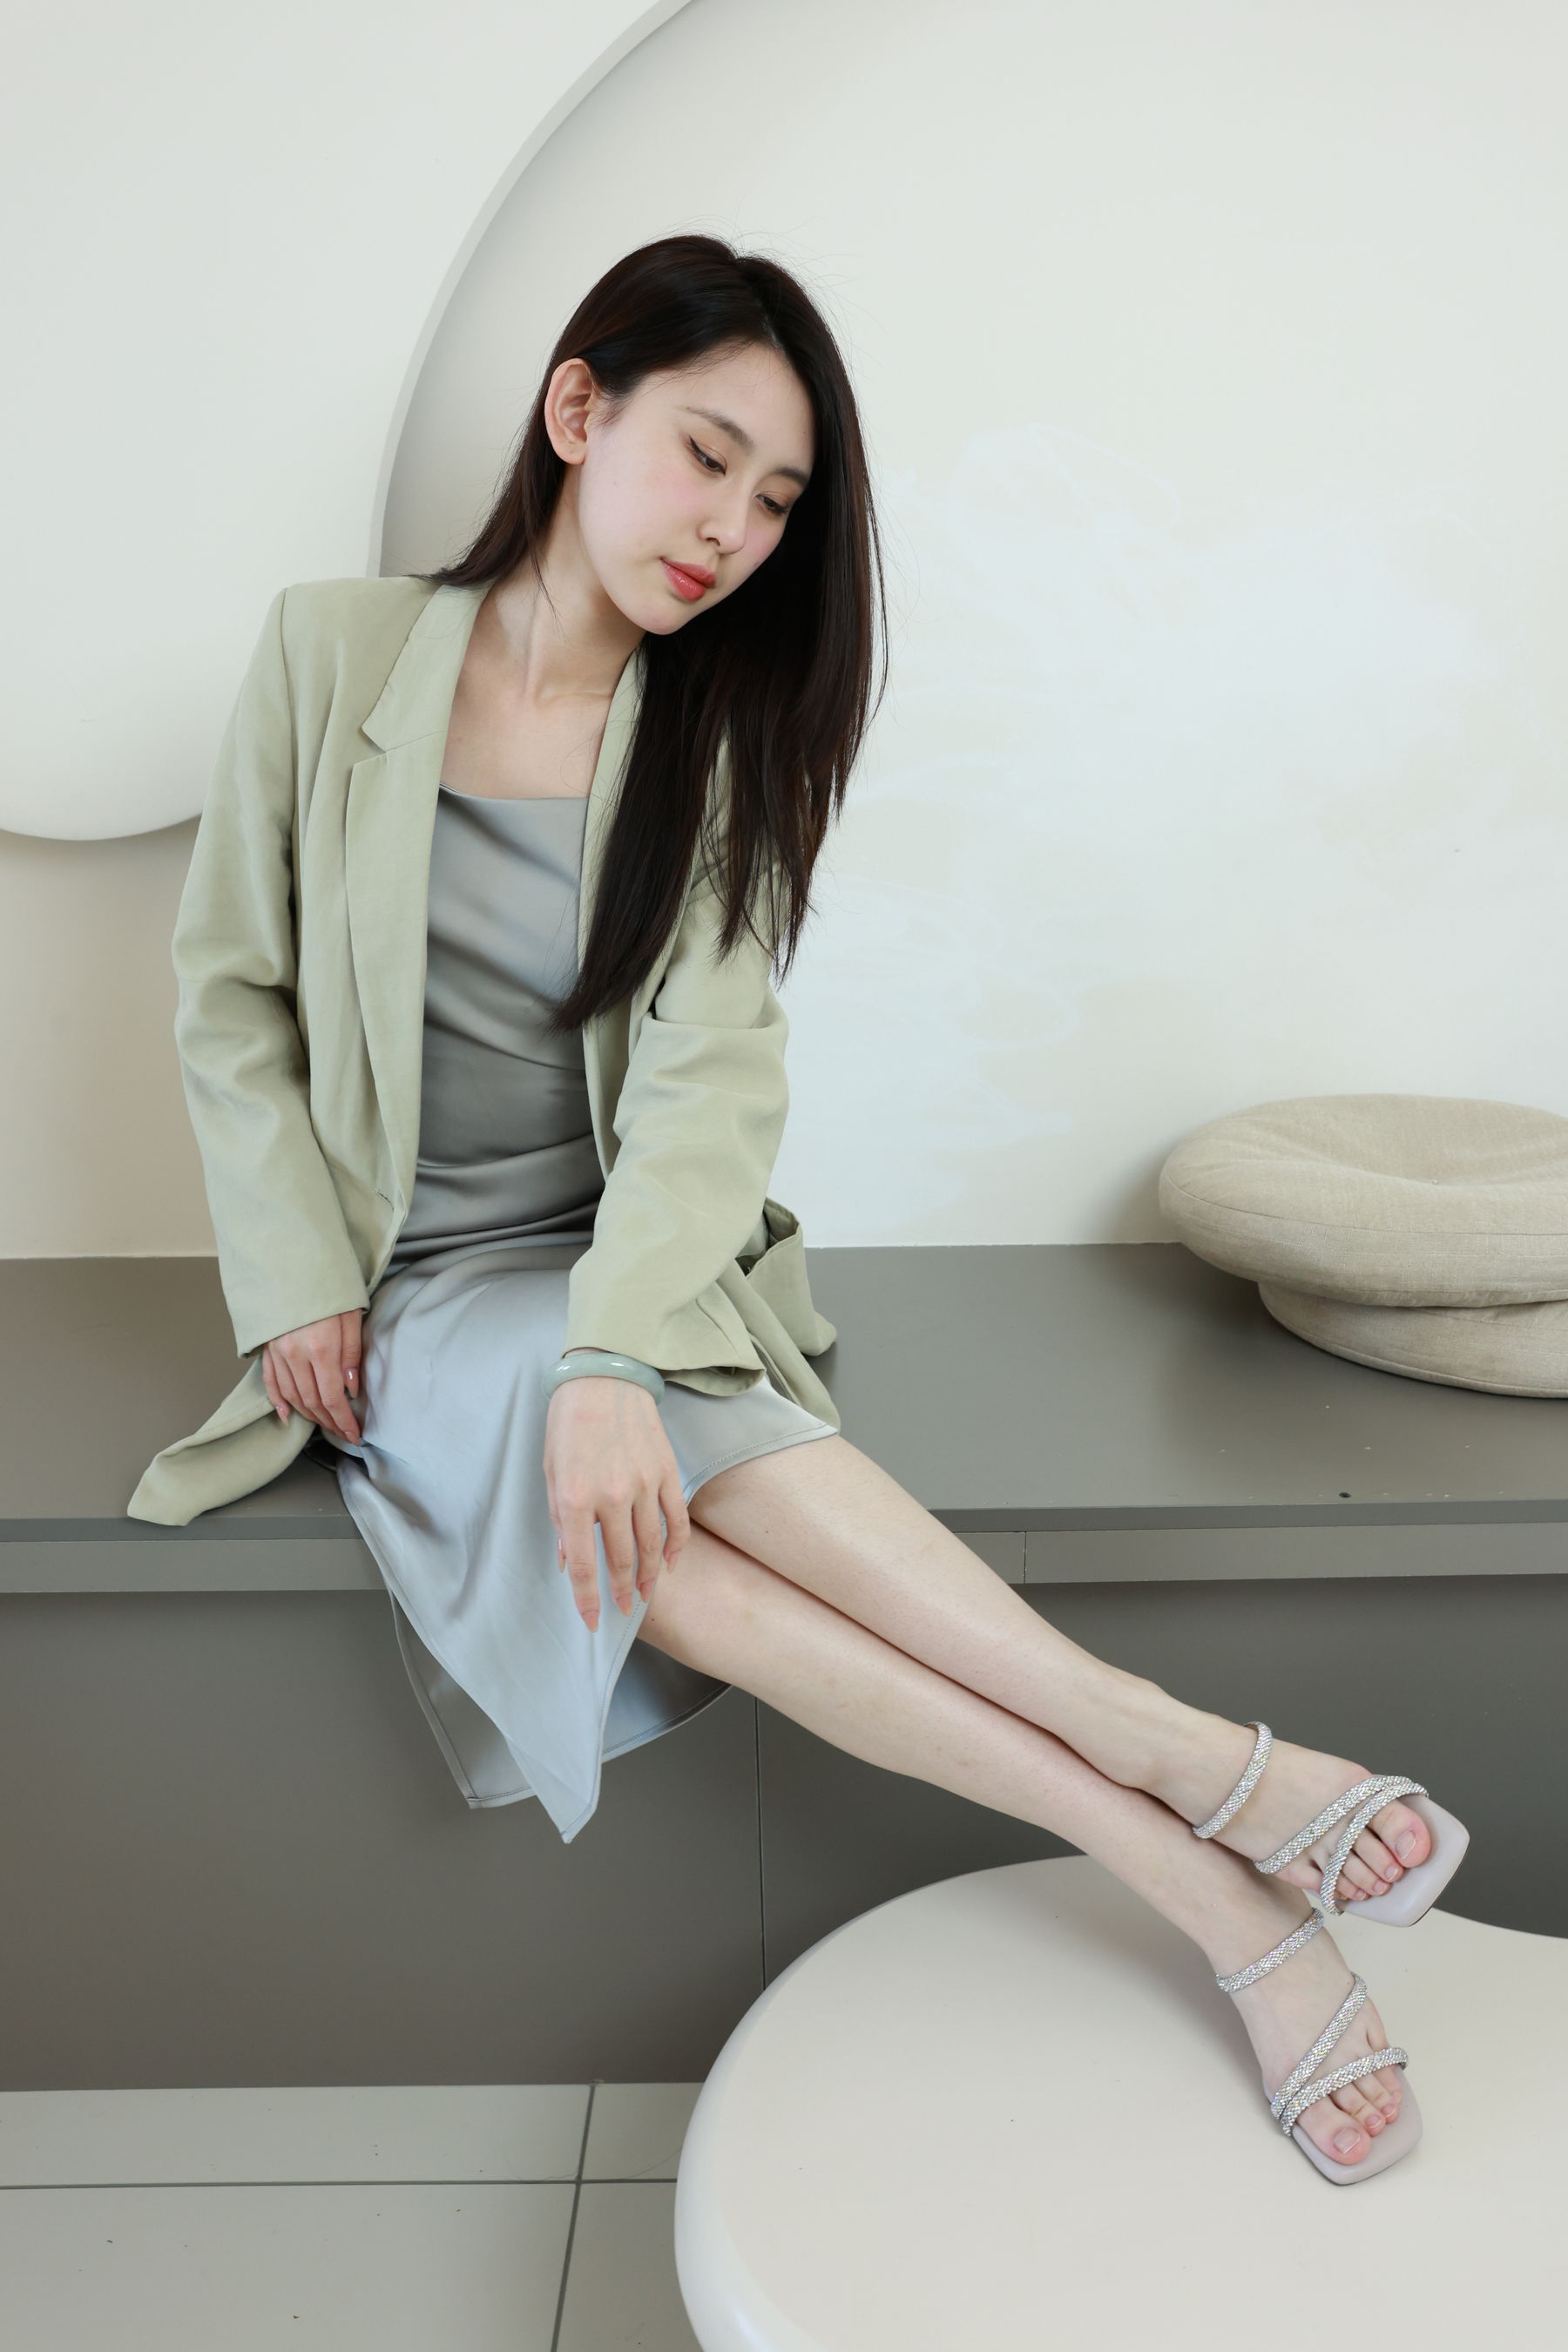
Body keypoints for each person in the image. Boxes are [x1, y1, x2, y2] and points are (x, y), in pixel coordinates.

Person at [208, 236, 1435, 2177]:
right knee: (628, 1523)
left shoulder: (713, 739)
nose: (733, 529)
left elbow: (709, 1085)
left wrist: (615, 1349)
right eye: (707, 456)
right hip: (417, 1286)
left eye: (777, 500)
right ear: (577, 408)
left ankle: (1206, 1848)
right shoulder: (327, 654)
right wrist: (292, 1276)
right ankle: (1202, 1818)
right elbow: (234, 996)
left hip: (633, 1260)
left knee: (656, 1502)